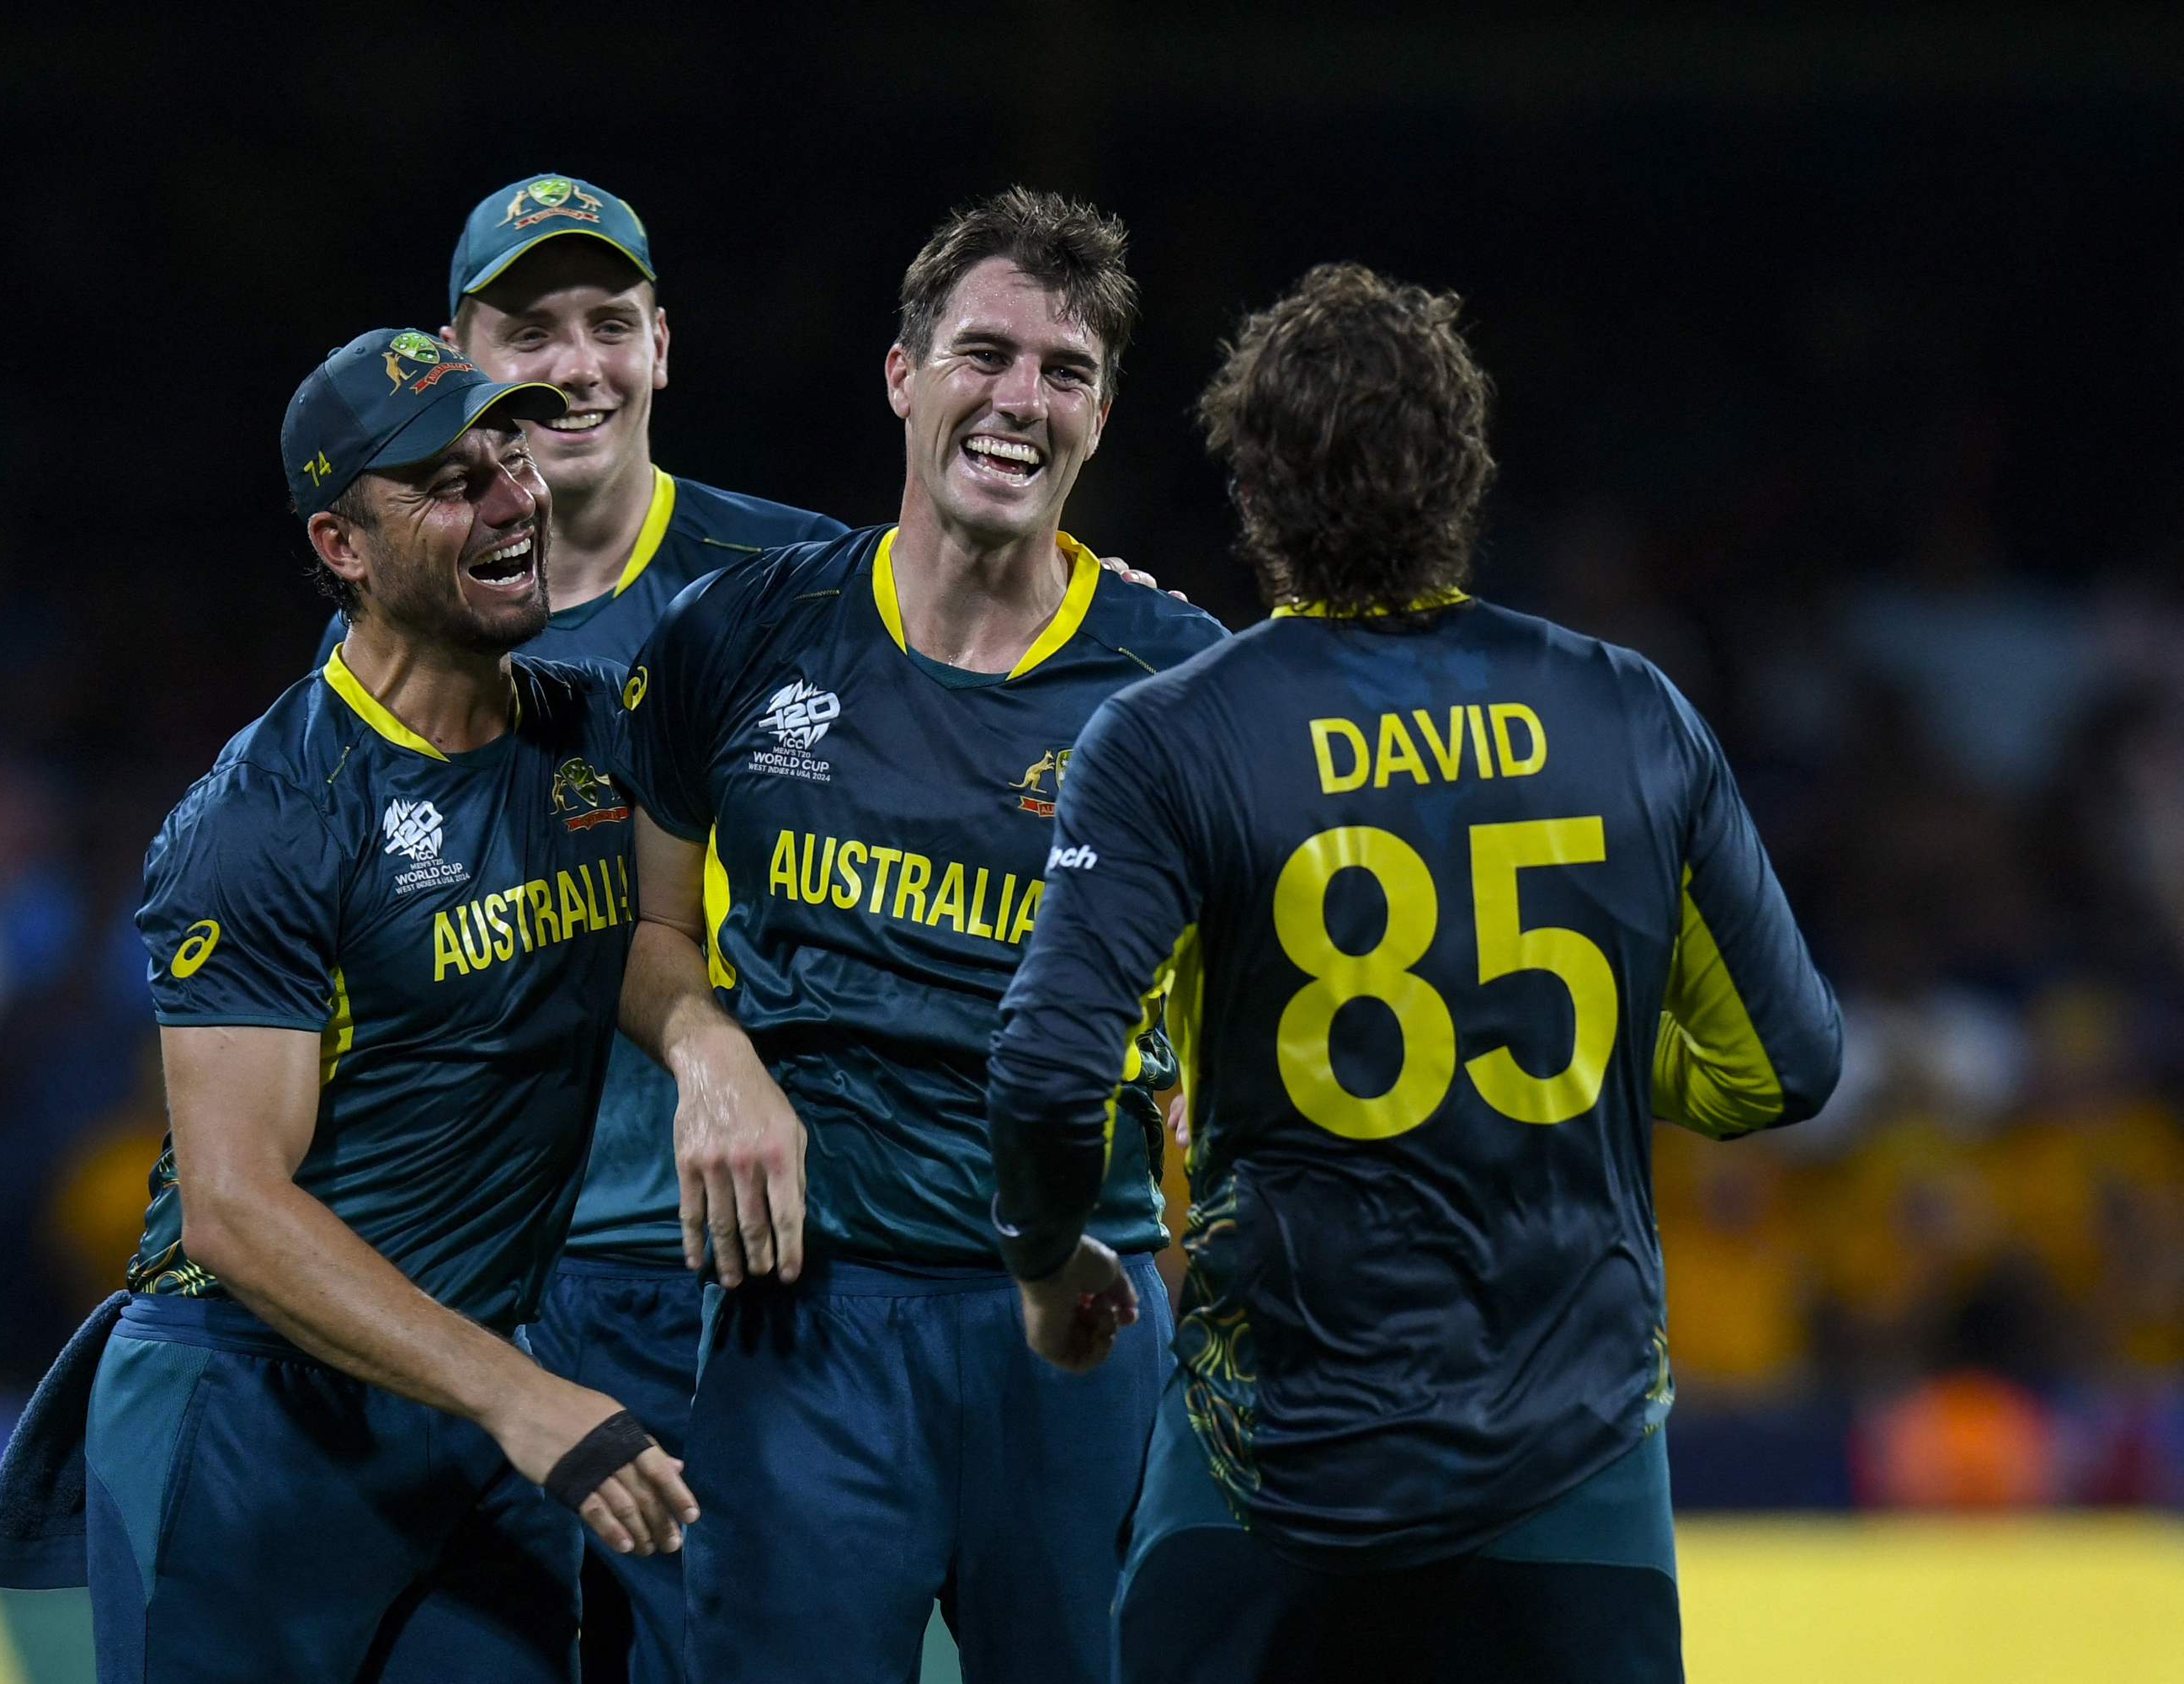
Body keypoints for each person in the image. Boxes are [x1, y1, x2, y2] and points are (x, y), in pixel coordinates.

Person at [985, 263, 1844, 1682]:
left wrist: (1042, 1264)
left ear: (1251, 486)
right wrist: (1579, 1065)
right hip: (1574, 1479)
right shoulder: (1631, 712)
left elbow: (1046, 1073)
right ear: (1466, 472)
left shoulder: (1170, 738)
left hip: (1274, 1476)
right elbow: (1789, 1062)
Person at [615, 187, 1226, 1683]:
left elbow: (1248, 1029)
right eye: (984, 353)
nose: (1021, 401)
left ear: (1100, 415)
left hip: (1081, 1319)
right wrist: (708, 1051)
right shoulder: (741, 636)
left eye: (1065, 373)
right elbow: (644, 924)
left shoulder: (1182, 683)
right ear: (902, 373)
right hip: (803, 1322)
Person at [83, 329, 693, 1683]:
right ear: (342, 546)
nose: (513, 497)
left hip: (475, 1416)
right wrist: (522, 1396)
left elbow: (691, 908)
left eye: (512, 454)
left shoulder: (599, 740)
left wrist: (1066, 581)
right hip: (254, 1412)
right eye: (448, 479)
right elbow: (235, 1208)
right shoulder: (265, 817)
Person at [318, 171, 847, 1681]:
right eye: (526, 329)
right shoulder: (407, 617)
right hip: (481, 1296)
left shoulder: (806, 586)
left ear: (664, 346)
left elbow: (1013, 665)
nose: (574, 364)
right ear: (453, 355)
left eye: (610, 323)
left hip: (729, 1289)